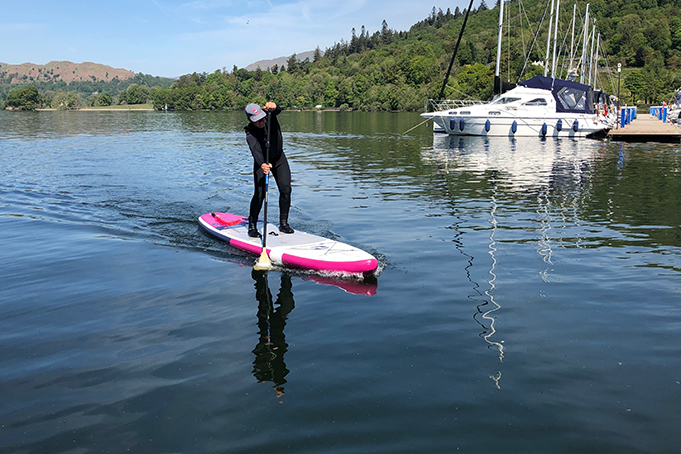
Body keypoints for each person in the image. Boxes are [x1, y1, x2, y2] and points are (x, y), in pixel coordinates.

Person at [244, 101, 294, 238]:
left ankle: (284, 224)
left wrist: (275, 106)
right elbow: (256, 152)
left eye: (261, 118)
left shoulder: (270, 115)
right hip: (262, 162)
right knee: (259, 194)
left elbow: (278, 110)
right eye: (256, 121)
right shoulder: (250, 133)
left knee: (286, 189)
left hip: (278, 158)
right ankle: (252, 225)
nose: (261, 122)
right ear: (250, 120)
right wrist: (262, 164)